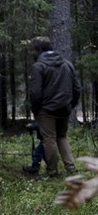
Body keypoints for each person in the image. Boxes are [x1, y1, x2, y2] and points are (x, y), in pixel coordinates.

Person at [28, 37, 80, 178]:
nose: (31, 53)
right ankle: (71, 167)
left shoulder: (38, 66)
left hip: (46, 110)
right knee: (62, 137)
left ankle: (52, 171)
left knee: (49, 139)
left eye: (33, 50)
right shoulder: (67, 64)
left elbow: (35, 92)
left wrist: (36, 109)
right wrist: (70, 105)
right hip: (64, 108)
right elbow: (76, 88)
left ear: (39, 50)